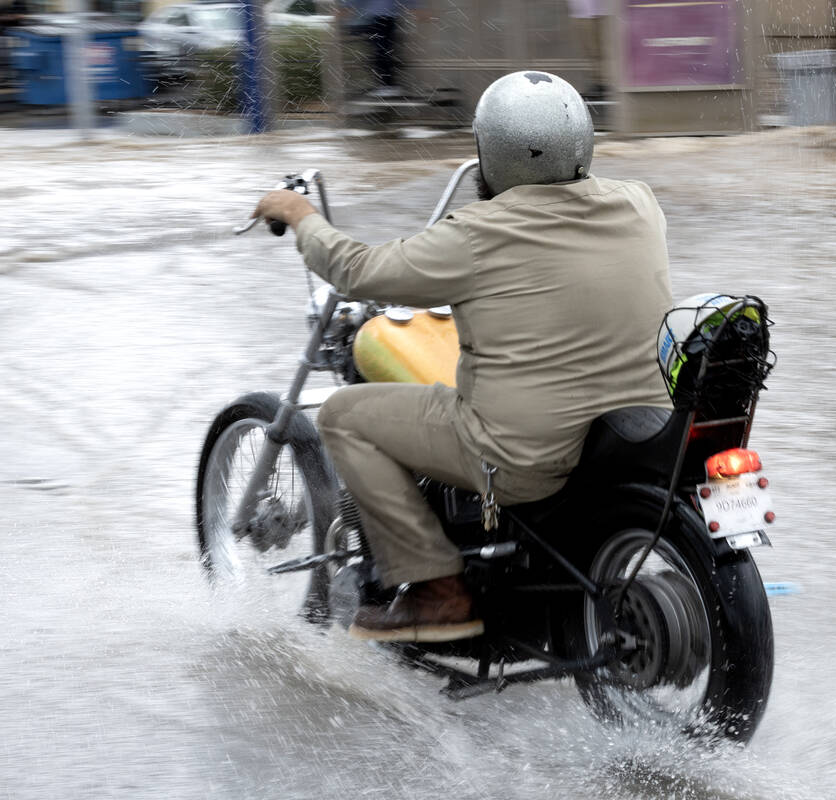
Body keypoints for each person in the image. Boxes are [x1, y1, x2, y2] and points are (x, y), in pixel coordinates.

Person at [252, 71, 672, 643]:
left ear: (490, 153)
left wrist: (302, 217)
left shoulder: (476, 234)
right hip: (635, 439)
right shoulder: (640, 204)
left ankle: (438, 592)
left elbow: (359, 271)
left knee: (342, 415)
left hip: (526, 458)